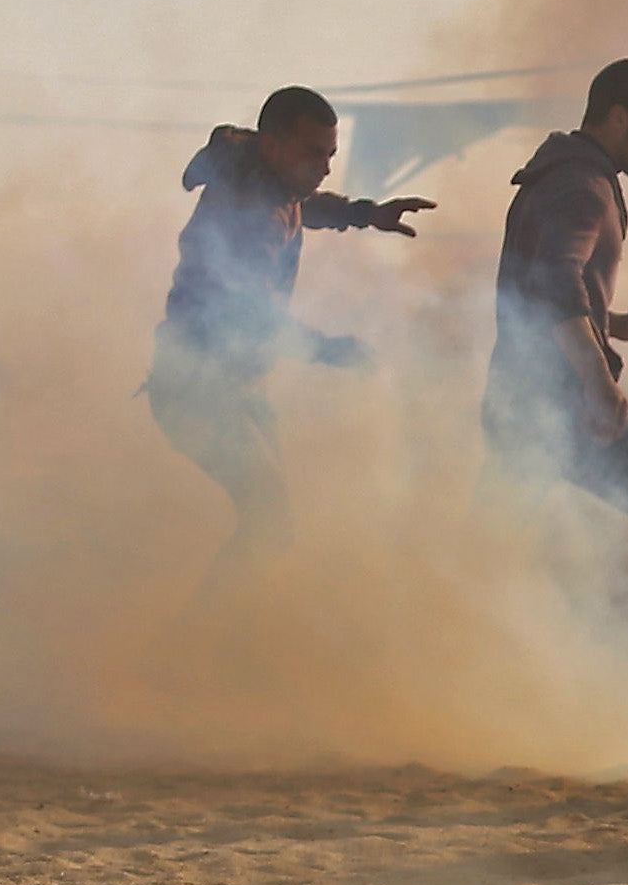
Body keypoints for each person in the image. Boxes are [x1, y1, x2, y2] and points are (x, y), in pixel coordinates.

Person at [147, 85, 432, 596]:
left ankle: (224, 637)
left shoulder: (269, 185)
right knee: (270, 523)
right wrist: (330, 350)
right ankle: (196, 644)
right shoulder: (252, 213)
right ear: (273, 144)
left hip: (227, 384)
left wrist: (367, 213)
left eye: (329, 155)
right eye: (312, 154)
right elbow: (248, 312)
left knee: (275, 525)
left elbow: (307, 206)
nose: (324, 167)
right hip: (197, 387)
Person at [482, 58, 628, 641]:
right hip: (557, 409)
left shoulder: (565, 173)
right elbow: (553, 282)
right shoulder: (582, 187)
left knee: (501, 563)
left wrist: (623, 324)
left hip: (523, 404)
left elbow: (554, 295)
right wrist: (597, 383)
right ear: (618, 118)